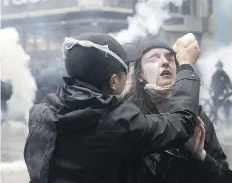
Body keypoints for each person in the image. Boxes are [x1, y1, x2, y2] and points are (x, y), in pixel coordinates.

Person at [24, 33, 201, 183]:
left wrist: (120, 98)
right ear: (114, 81)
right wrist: (186, 66)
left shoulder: (41, 112)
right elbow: (182, 122)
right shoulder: (118, 123)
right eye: (125, 72)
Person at [124, 39, 232, 183]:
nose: (164, 62)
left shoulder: (197, 118)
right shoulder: (131, 117)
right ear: (139, 75)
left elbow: (225, 178)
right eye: (154, 58)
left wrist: (200, 155)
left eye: (170, 58)